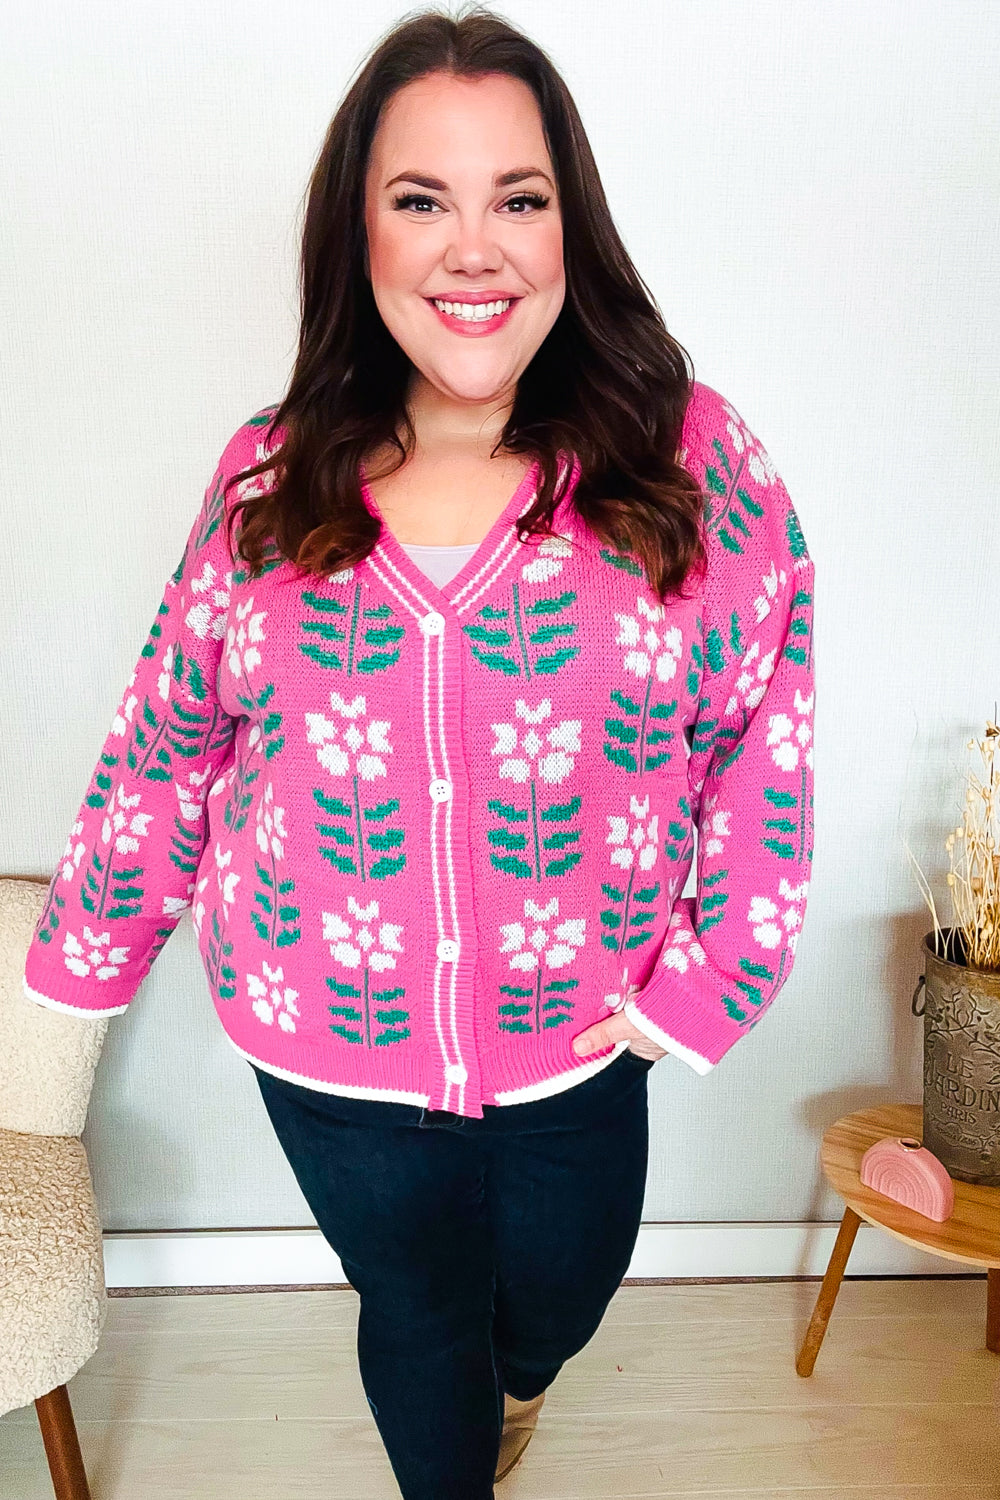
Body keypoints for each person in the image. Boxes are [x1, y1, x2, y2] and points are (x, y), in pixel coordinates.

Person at [21, 7, 816, 1498]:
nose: (474, 248)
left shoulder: (689, 454)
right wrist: (85, 960)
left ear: (571, 226)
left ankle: (521, 1381)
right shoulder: (272, 473)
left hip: (585, 1031)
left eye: (519, 197)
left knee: (556, 1300)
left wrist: (714, 975)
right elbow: (172, 733)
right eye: (420, 199)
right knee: (417, 1308)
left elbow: (763, 730)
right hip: (323, 1033)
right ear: (359, 230)